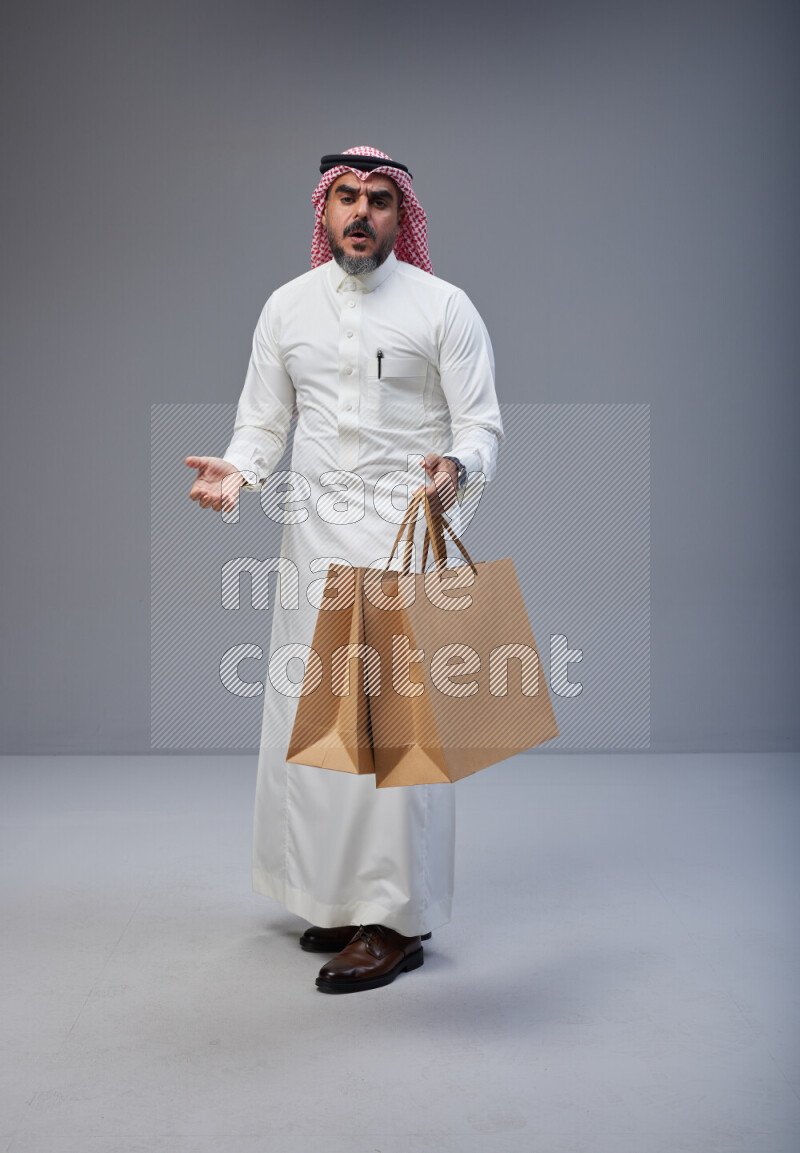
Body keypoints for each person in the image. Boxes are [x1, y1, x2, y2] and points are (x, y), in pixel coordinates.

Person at [185, 146, 503, 993]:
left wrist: (456, 469)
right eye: (348, 197)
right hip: (313, 542)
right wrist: (238, 471)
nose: (362, 211)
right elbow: (263, 421)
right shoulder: (287, 307)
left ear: (402, 216)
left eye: (380, 199)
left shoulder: (444, 306)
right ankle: (334, 895)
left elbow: (481, 425)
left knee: (398, 734)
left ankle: (394, 921)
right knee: (316, 721)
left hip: (406, 537)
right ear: (325, 210)